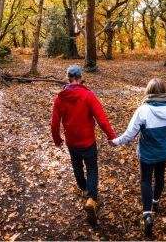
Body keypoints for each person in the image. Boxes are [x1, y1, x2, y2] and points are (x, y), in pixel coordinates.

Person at [111, 78, 166, 236]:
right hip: (164, 152)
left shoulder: (143, 110)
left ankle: (147, 215)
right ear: (163, 91)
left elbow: (130, 134)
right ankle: (155, 202)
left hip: (147, 154)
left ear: (149, 92)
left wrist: (116, 142)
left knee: (146, 180)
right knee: (160, 176)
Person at [51, 65, 116, 223]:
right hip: (87, 141)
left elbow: (54, 123)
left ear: (68, 78)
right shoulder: (88, 95)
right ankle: (91, 199)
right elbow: (101, 118)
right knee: (92, 168)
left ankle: (83, 187)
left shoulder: (60, 98)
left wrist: (57, 139)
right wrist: (111, 136)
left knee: (77, 165)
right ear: (80, 78)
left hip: (72, 142)